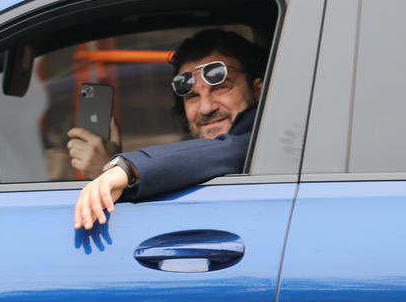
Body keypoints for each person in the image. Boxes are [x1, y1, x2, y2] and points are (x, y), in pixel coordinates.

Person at [70, 29, 267, 230]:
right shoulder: (203, 165)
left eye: (220, 87)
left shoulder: (260, 143)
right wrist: (107, 172)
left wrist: (128, 169)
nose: (206, 108)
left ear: (258, 90)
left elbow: (235, 149)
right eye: (192, 96)